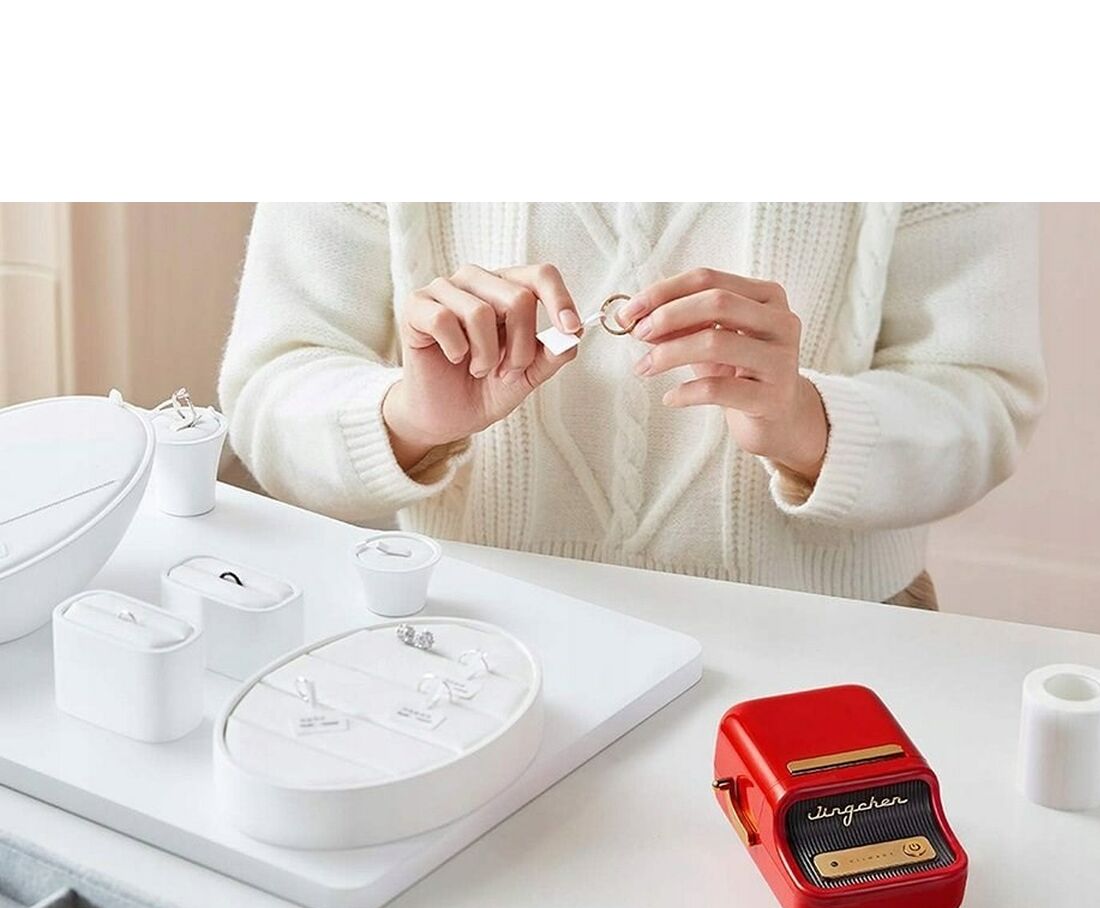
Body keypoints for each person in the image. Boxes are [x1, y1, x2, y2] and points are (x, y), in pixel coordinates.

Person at [219, 203, 1045, 609]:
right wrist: (410, 419)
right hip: (472, 637)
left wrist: (806, 424)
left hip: (831, 648)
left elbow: (984, 401)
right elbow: (269, 387)